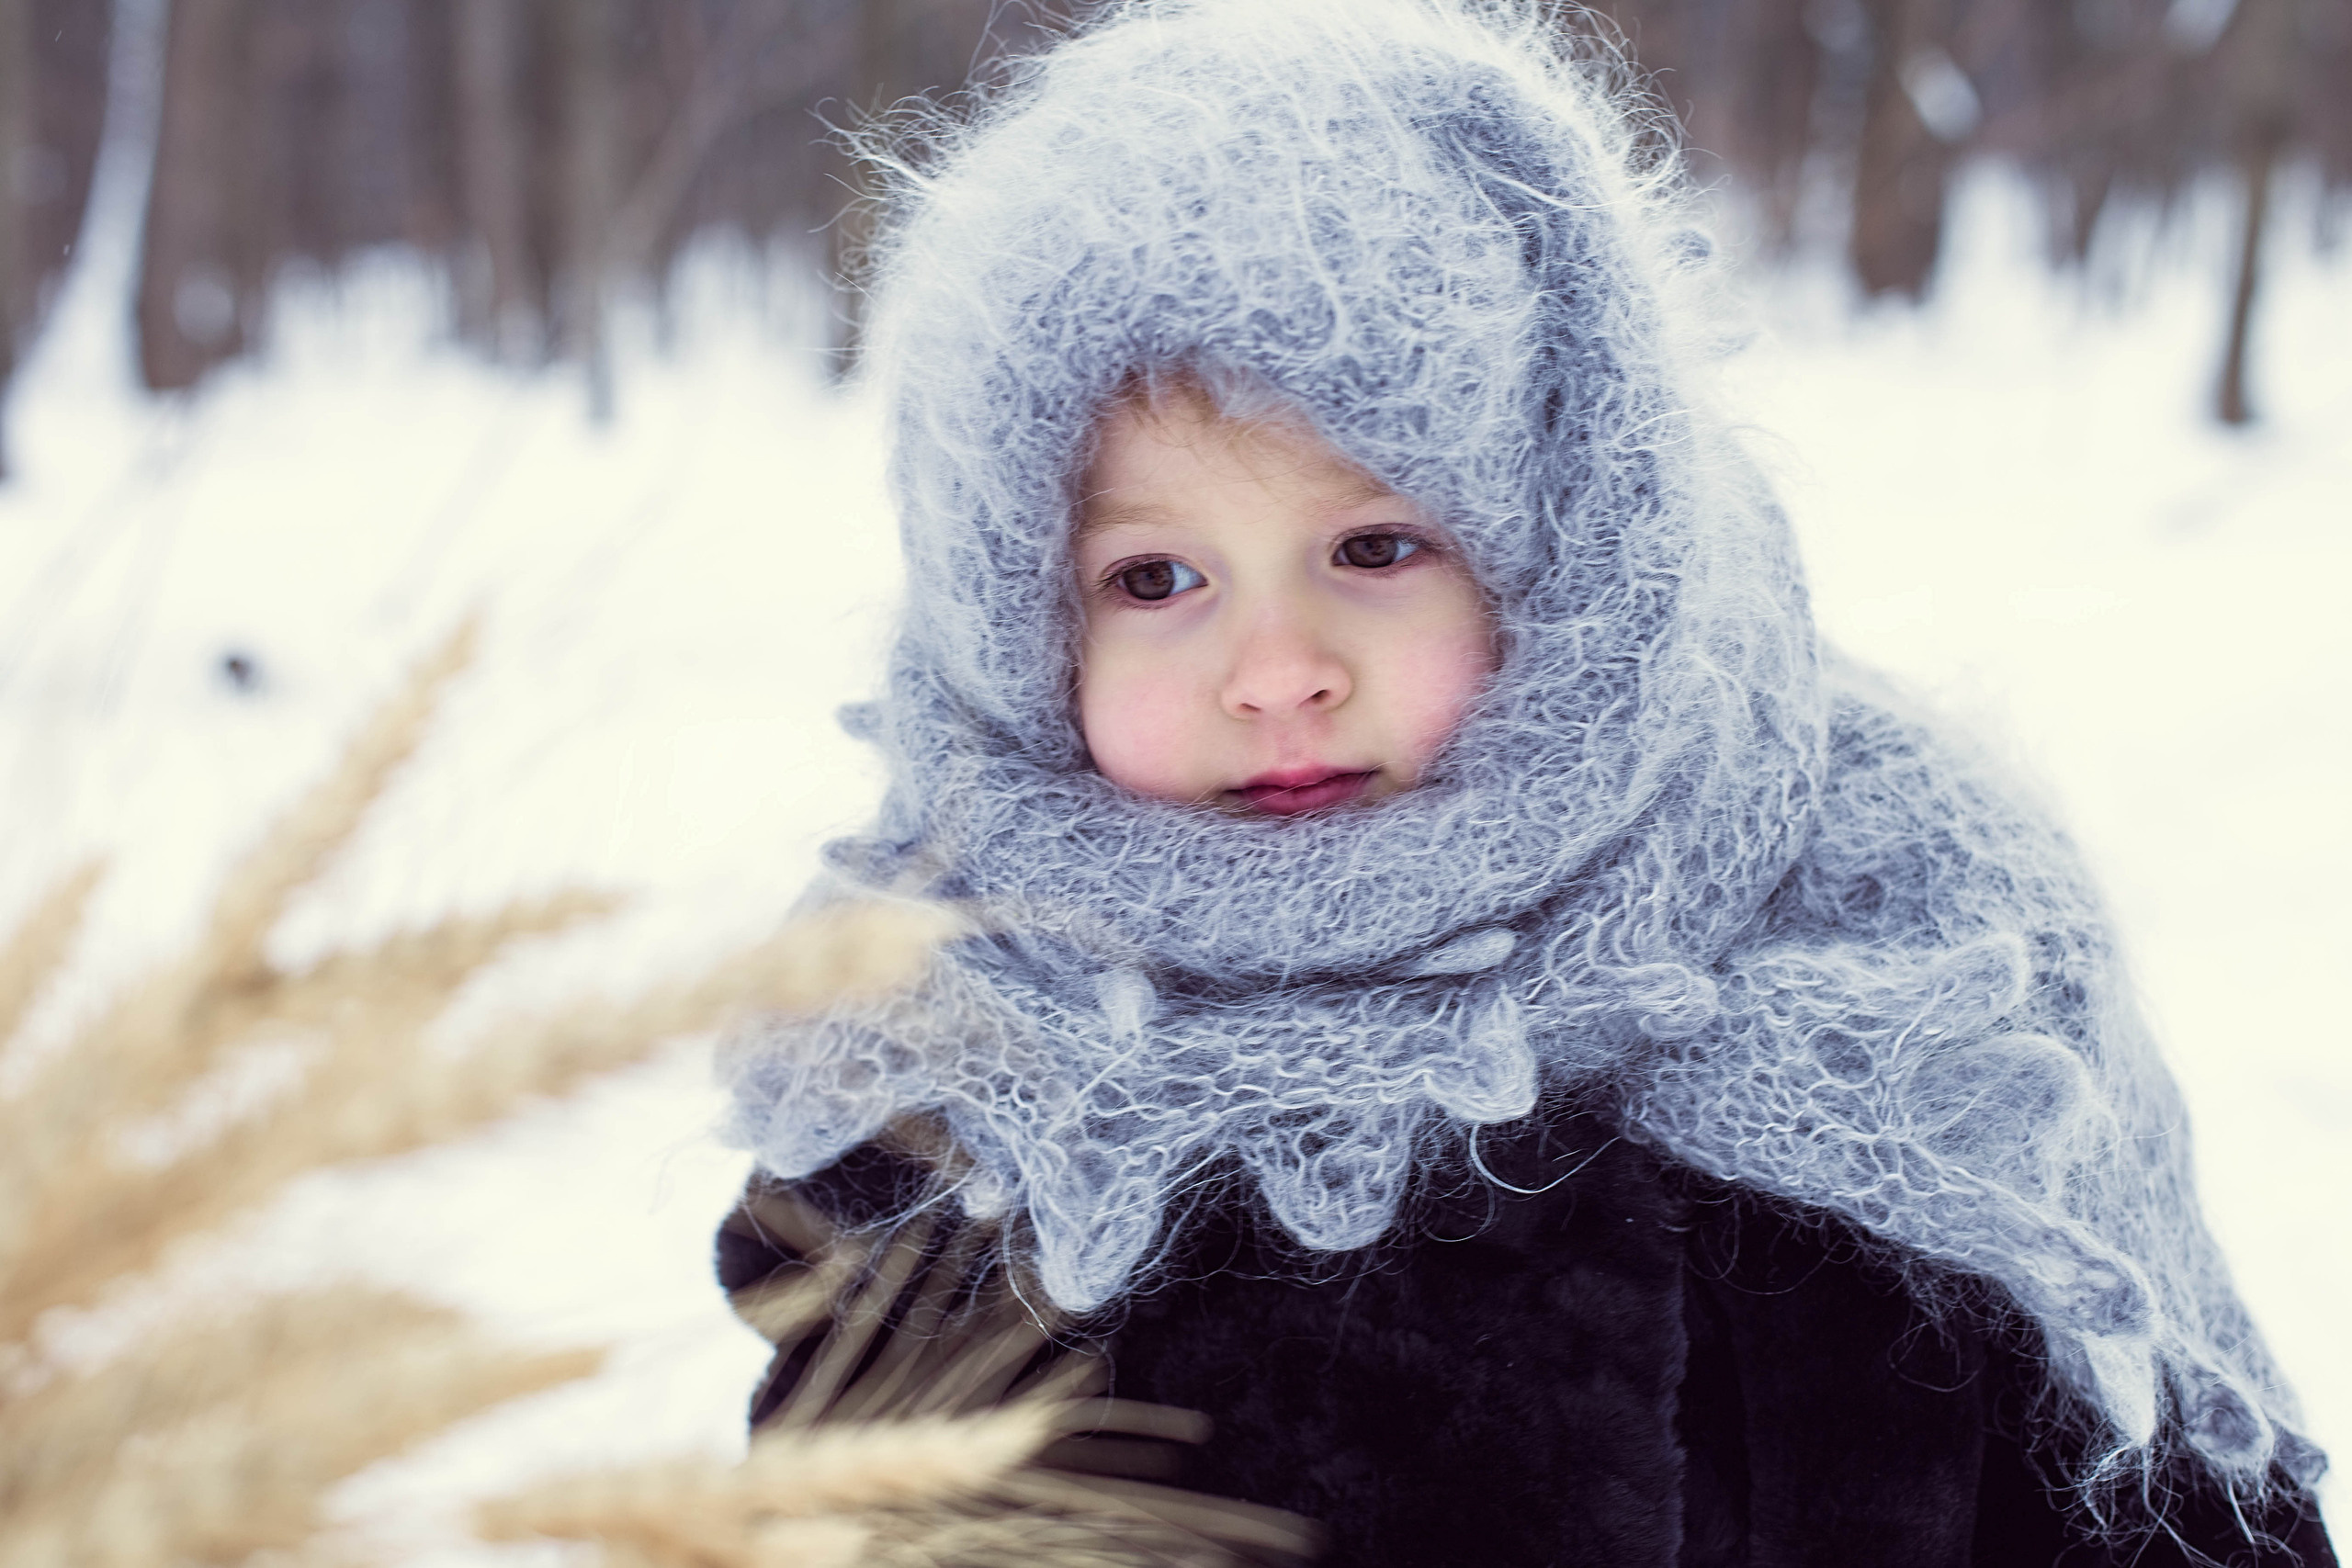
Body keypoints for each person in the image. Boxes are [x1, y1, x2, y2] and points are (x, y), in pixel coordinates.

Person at [713, 1, 2336, 1562]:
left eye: (1376, 546)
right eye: (1153, 581)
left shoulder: (1906, 940)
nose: (1277, 668)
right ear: (1014, 616)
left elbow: (2150, 1509)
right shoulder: (940, 1037)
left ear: (1568, 542)